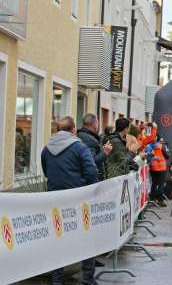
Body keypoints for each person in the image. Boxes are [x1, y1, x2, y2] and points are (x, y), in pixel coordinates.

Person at [41, 116, 98, 285]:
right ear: (73, 129)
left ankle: (57, 280)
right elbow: (92, 172)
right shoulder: (80, 147)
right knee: (86, 238)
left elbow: (46, 172)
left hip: (55, 201)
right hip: (78, 200)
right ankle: (87, 279)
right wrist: (88, 189)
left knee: (59, 240)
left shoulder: (46, 149)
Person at [77, 113, 112, 180]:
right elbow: (91, 161)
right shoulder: (90, 140)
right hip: (91, 179)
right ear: (95, 124)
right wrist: (105, 153)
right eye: (98, 123)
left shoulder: (79, 135)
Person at [147, 135, 170, 207]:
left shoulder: (149, 146)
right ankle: (160, 200)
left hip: (153, 168)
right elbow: (167, 156)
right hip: (161, 168)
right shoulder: (161, 146)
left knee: (154, 183)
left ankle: (152, 199)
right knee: (160, 184)